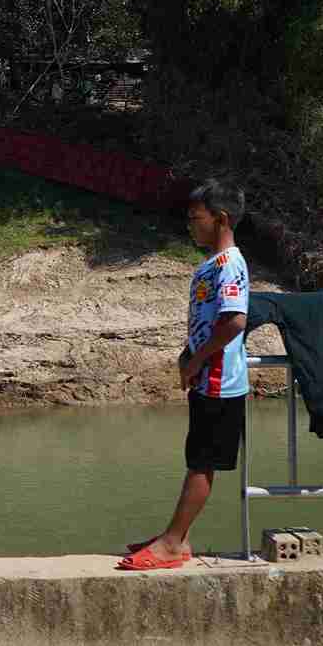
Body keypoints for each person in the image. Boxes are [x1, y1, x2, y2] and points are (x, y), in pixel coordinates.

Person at [120, 179, 250, 571]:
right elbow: (208, 321)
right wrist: (187, 355)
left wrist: (196, 362)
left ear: (221, 219)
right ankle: (176, 536)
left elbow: (233, 322)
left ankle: (173, 544)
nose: (190, 226)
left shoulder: (230, 266)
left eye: (196, 218)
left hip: (219, 380)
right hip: (206, 374)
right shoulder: (213, 264)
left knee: (202, 462)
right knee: (197, 456)